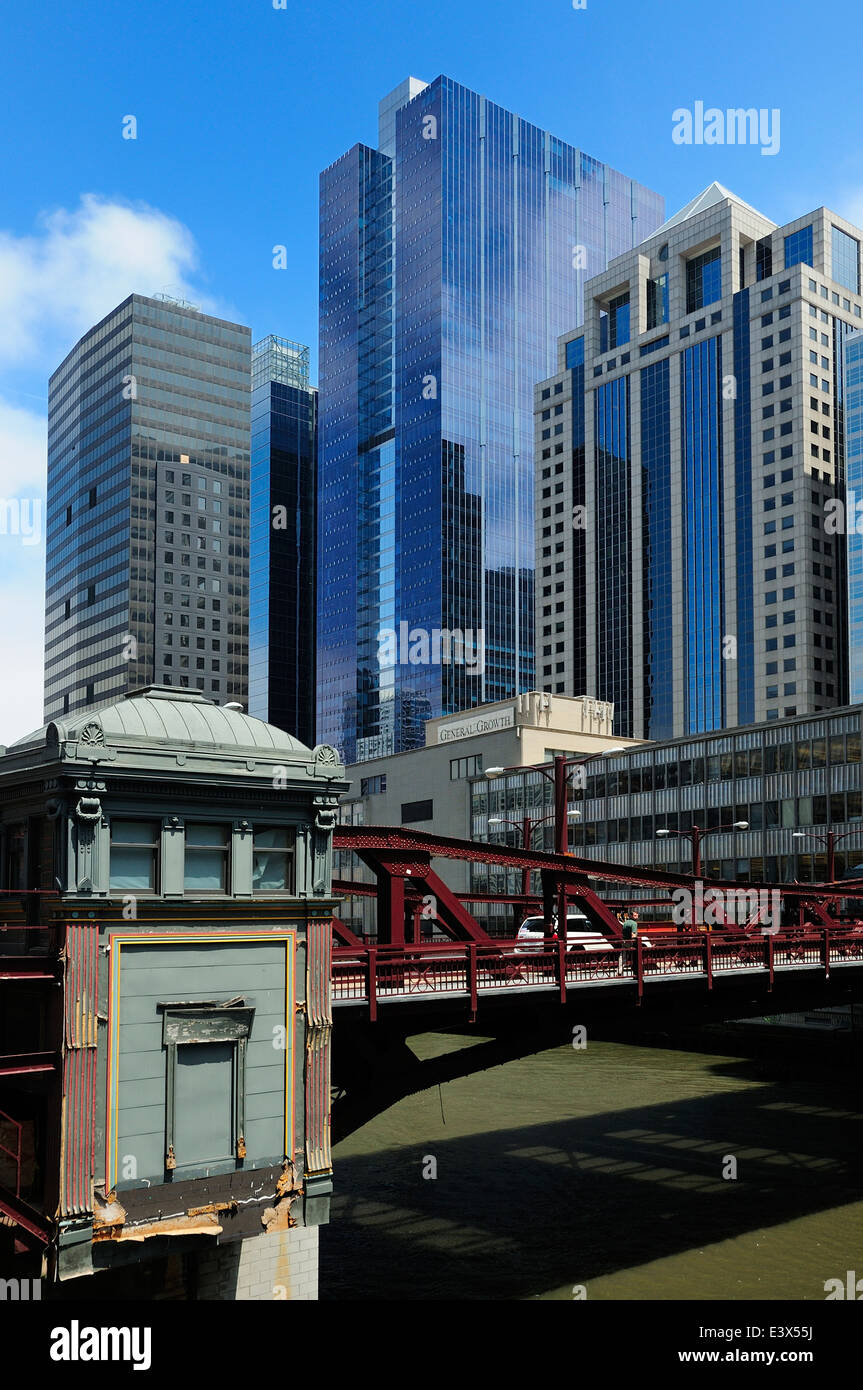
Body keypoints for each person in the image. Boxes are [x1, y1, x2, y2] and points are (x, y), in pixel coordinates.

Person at [618, 908, 639, 975]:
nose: (637, 916)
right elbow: (633, 935)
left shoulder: (625, 923)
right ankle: (636, 972)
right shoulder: (634, 924)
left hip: (624, 941)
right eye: (635, 915)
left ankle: (619, 971)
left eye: (637, 915)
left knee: (623, 957)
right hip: (631, 942)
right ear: (632, 916)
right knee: (635, 957)